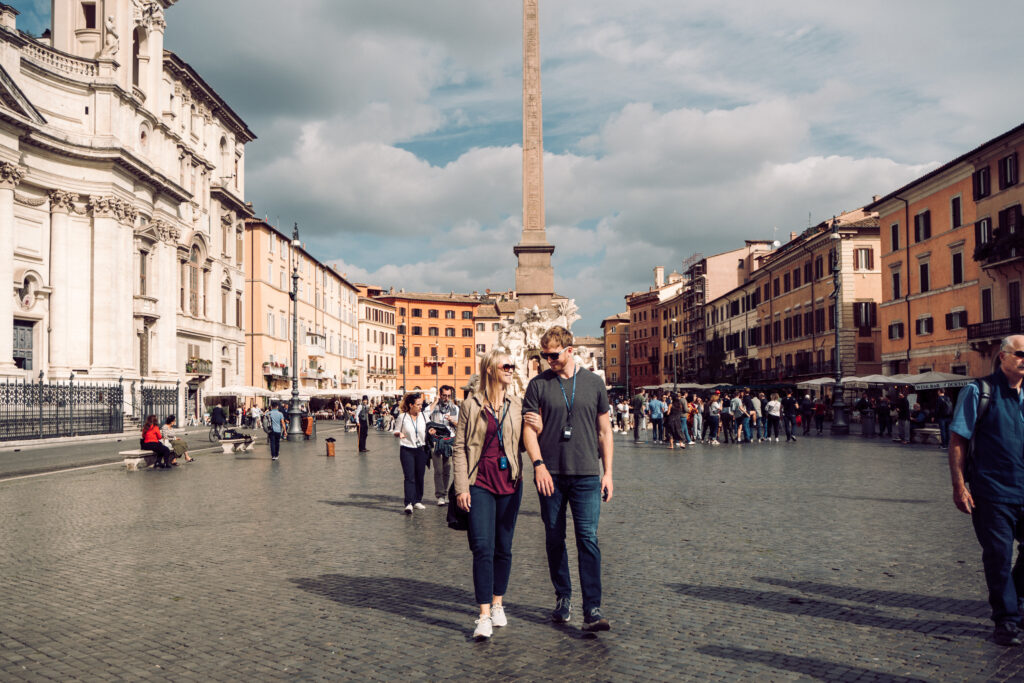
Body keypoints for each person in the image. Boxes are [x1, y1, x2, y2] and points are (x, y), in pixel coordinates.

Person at [523, 326, 614, 632]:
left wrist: (609, 473)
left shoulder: (594, 383)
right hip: (551, 474)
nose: (548, 360)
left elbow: (605, 432)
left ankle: (593, 608)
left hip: (587, 474)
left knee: (587, 538)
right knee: (553, 537)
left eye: (553, 354)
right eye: (544, 355)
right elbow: (527, 430)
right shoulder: (537, 385)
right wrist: (538, 465)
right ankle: (563, 598)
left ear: (570, 350)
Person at [453, 351, 542, 640]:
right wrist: (461, 488)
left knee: (503, 546)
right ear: (490, 370)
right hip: (479, 482)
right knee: (482, 547)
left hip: (510, 483)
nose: (510, 369)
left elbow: (525, 445)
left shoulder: (517, 405)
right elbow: (459, 449)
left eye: (512, 366)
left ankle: (498, 603)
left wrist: (537, 431)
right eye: (505, 365)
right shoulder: (470, 405)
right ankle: (482, 615)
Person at [948, 335, 1024, 646]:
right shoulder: (978, 392)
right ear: (1002, 357)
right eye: (1020, 353)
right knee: (998, 555)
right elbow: (958, 440)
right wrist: (959, 485)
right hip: (992, 491)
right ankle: (1005, 619)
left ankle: (1014, 598)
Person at [394, 392, 430, 514]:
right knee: (409, 477)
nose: (421, 407)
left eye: (421, 404)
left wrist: (432, 431)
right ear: (411, 405)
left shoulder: (424, 416)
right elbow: (395, 430)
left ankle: (417, 500)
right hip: (407, 449)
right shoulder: (402, 417)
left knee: (420, 476)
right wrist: (399, 434)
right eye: (418, 404)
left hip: (421, 450)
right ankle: (408, 503)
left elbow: (429, 429)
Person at [428, 385, 460, 506]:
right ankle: (440, 495)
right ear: (440, 395)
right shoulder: (434, 407)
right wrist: (435, 401)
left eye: (448, 396)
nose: (446, 398)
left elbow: (460, 425)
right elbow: (426, 415)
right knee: (438, 470)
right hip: (436, 441)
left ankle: (445, 493)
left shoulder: (455, 408)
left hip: (450, 441)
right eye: (444, 395)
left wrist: (452, 421)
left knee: (447, 469)